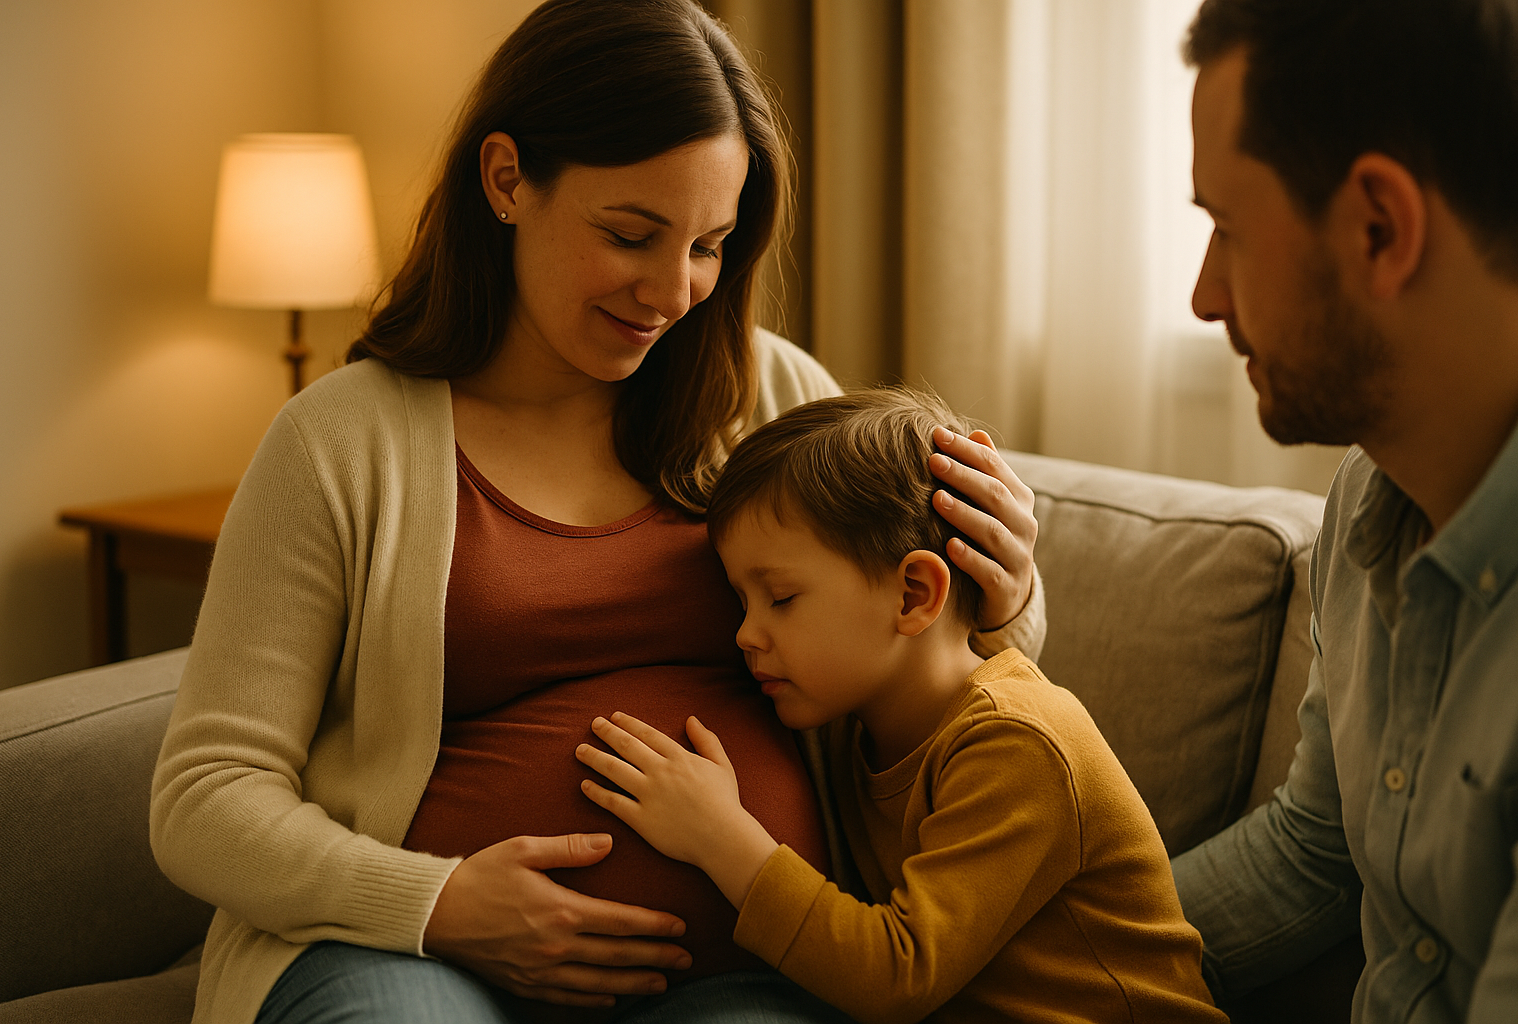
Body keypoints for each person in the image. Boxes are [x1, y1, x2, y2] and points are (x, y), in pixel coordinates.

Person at [149, 3, 1046, 1023]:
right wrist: (438, 902)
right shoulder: (337, 443)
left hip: (735, 971)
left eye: (709, 245)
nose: (673, 292)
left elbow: (944, 673)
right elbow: (205, 796)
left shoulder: (774, 398)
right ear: (506, 180)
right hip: (407, 957)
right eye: (632, 233)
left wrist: (1004, 595)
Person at [572, 389, 1225, 1024]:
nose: (745, 633)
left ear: (914, 594)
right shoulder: (861, 724)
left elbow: (898, 975)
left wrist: (720, 836)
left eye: (781, 598)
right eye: (742, 603)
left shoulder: (1016, 740)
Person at [1170, 1, 1518, 1020]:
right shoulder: (1371, 495)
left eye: (1227, 229)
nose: (1203, 295)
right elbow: (1315, 852)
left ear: (1380, 228)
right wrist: (1001, 947)